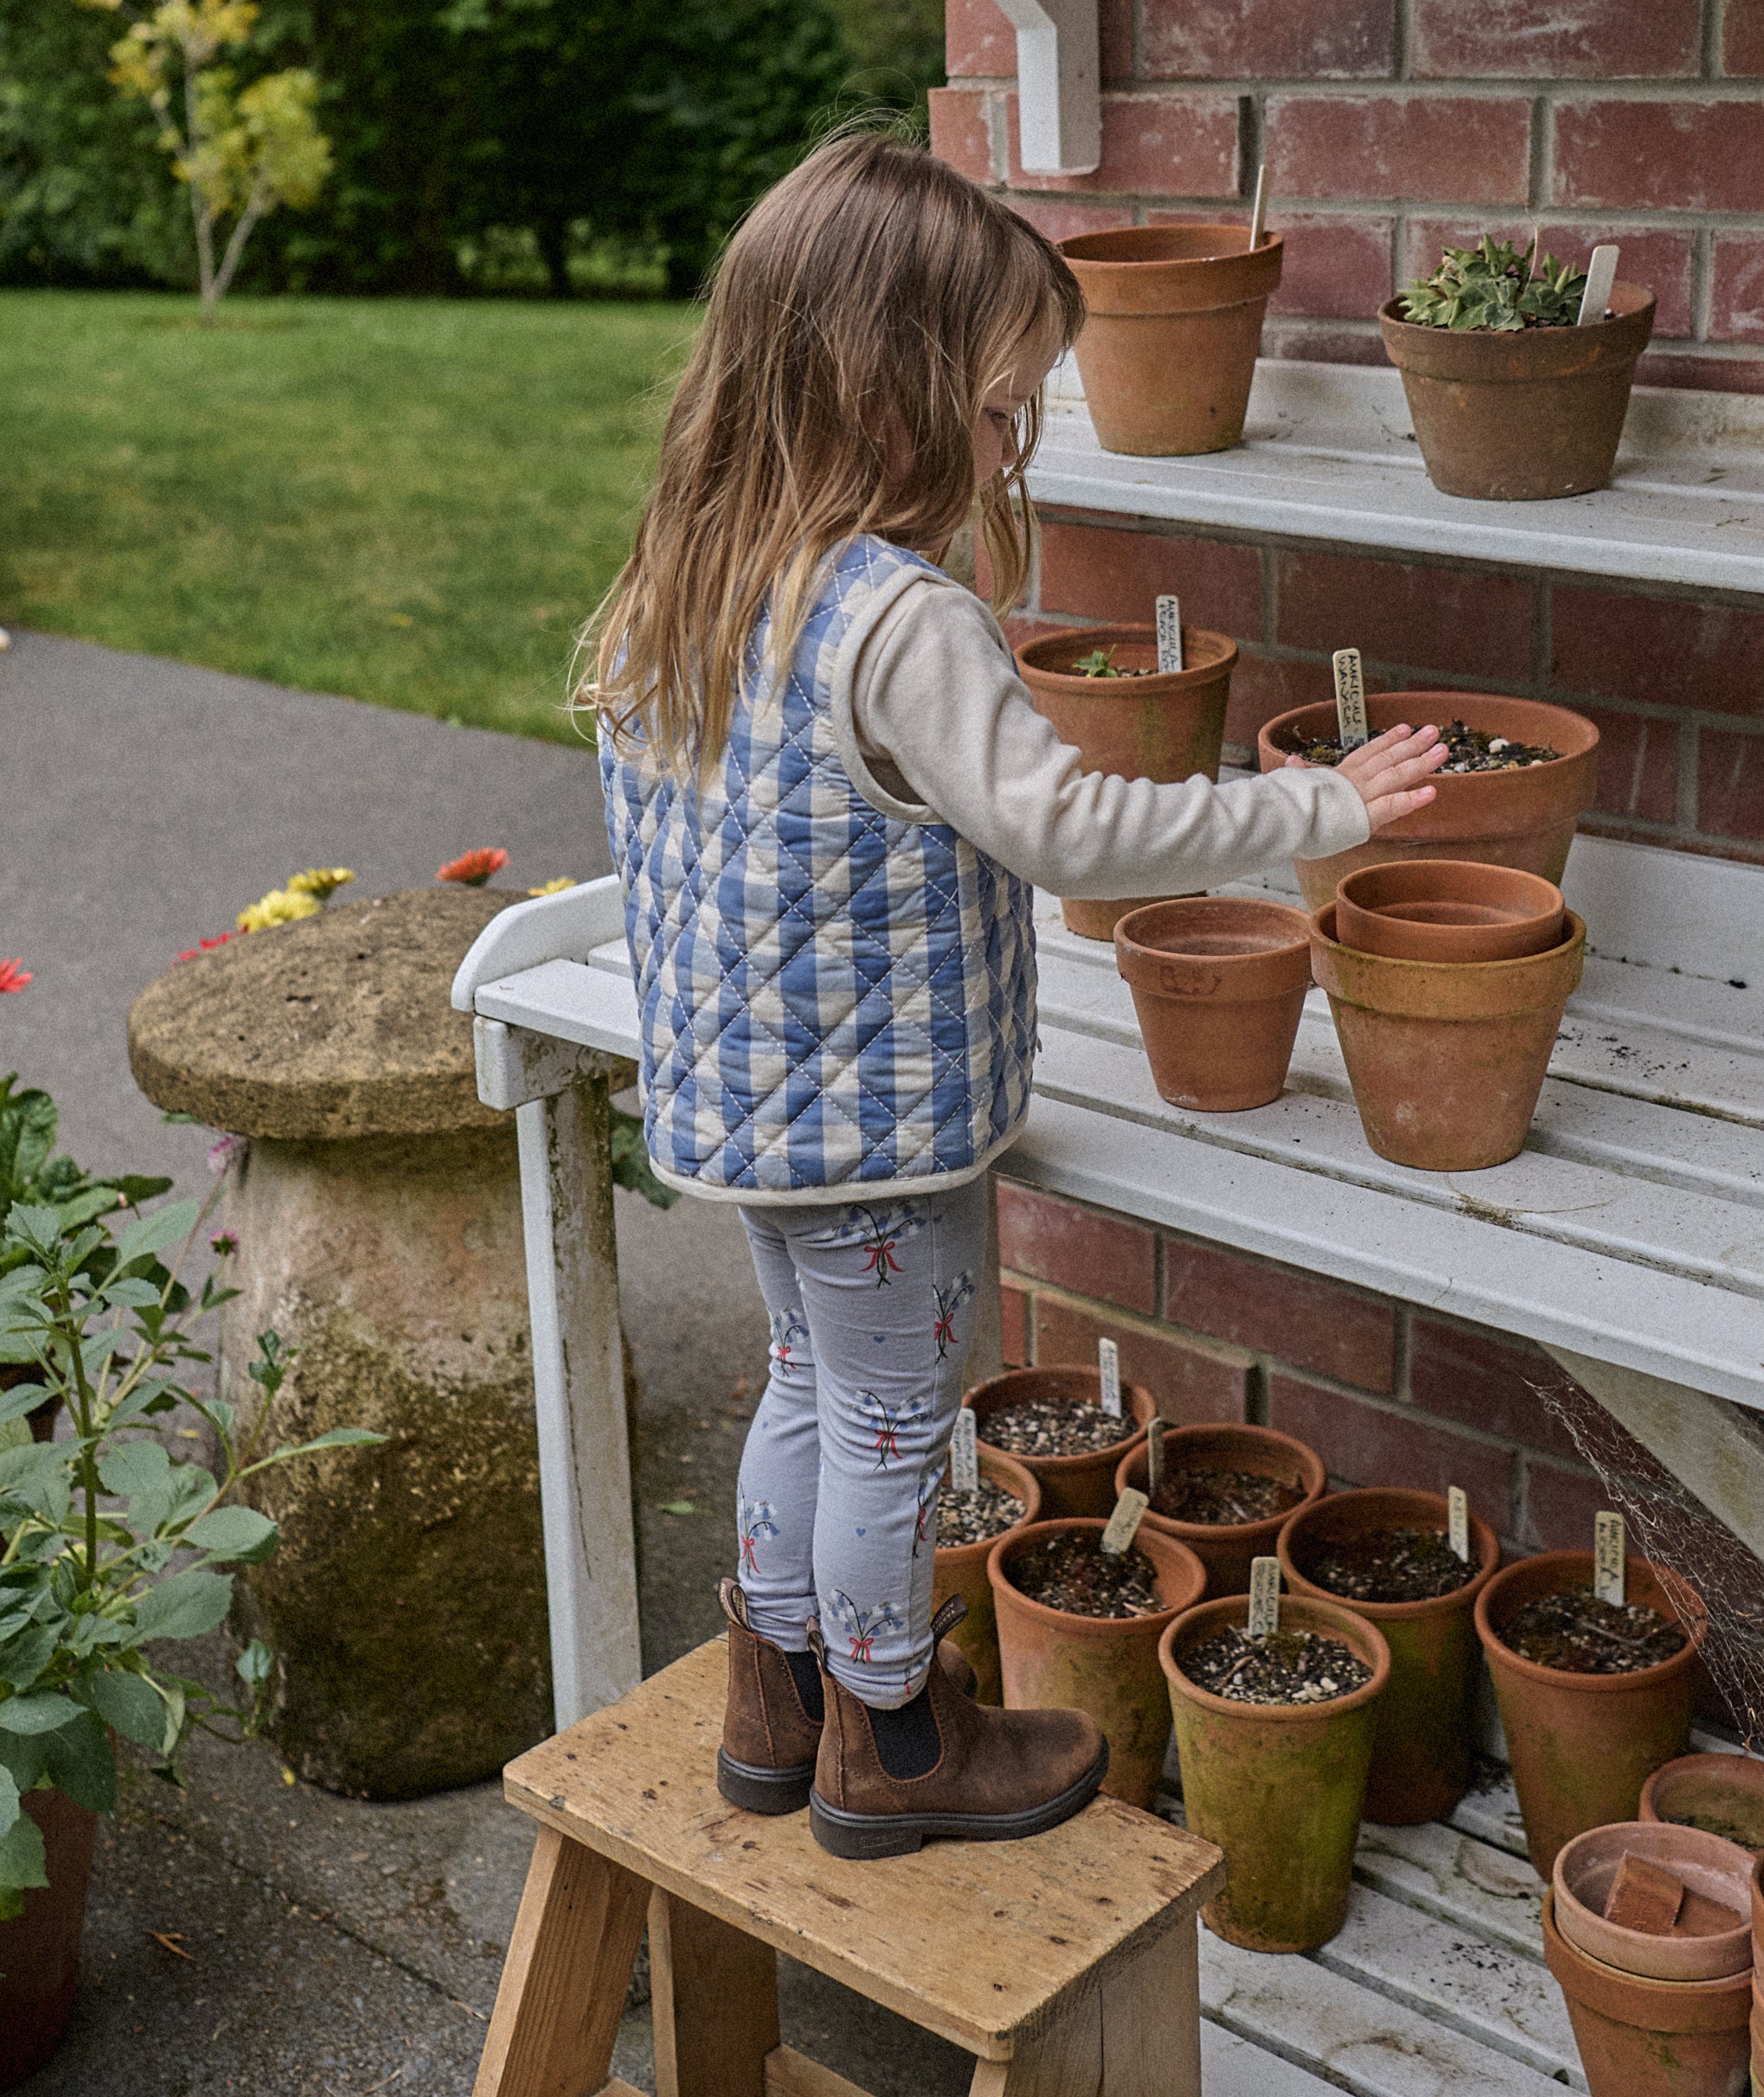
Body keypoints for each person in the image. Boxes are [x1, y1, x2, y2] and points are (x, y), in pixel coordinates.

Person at [588, 131, 1444, 1861]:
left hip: (747, 1119)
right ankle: (892, 1742)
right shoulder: (899, 620)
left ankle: (774, 1701)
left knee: (808, 1394)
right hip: (884, 1143)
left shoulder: (692, 570)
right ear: (875, 389)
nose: (1011, 448)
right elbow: (1068, 830)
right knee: (897, 1427)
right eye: (994, 412)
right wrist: (1321, 809)